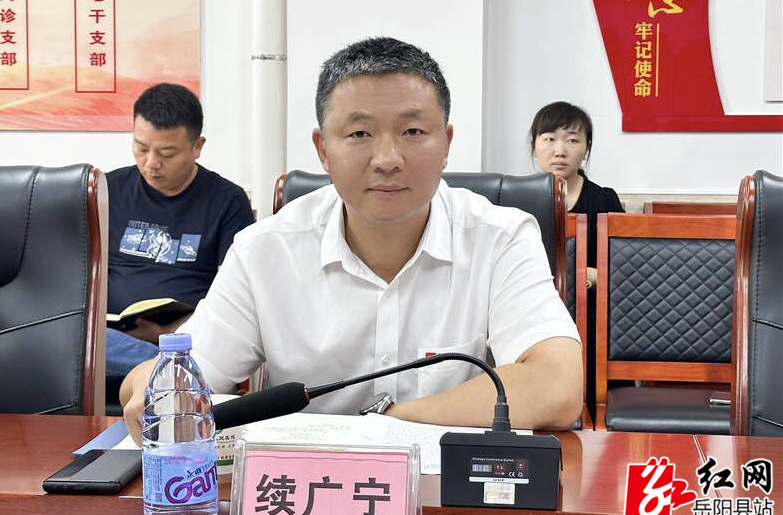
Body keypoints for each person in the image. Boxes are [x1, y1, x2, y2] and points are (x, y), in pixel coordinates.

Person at [121, 38, 581, 442]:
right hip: (305, 495)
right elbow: (180, 373)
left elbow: (557, 385)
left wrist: (390, 423)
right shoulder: (265, 250)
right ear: (323, 149)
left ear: (446, 143)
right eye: (360, 133)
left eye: (413, 131)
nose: (387, 158)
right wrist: (148, 389)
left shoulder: (501, 237)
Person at [106, 83, 254, 386]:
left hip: (187, 335)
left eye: (167, 153)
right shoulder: (107, 191)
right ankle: (171, 369)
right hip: (109, 335)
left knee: (204, 345)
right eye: (141, 148)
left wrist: (170, 330)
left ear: (197, 147)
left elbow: (237, 296)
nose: (151, 163)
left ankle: (172, 363)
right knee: (73, 338)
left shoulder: (227, 200)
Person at [529, 101, 624, 413]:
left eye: (572, 140)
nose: (560, 150)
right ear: (534, 147)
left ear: (586, 148)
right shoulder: (516, 200)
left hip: (591, 322)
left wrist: (587, 277)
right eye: (549, 139)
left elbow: (624, 276)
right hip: (532, 318)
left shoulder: (604, 200)